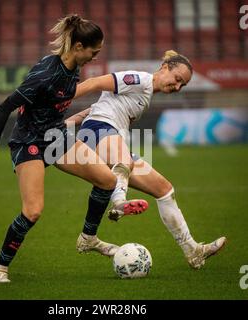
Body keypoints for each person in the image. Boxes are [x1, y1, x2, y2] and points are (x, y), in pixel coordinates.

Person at [0, 14, 147, 283]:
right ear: (79, 47)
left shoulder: (74, 69)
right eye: (94, 51)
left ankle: (88, 239)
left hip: (57, 139)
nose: (95, 56)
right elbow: (4, 109)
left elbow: (54, 108)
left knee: (107, 180)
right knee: (33, 210)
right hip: (29, 142)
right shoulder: (45, 74)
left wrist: (83, 115)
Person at [69, 50, 226, 269]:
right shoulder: (140, 80)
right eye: (177, 79)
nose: (177, 87)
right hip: (98, 130)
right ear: (164, 68)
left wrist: (67, 122)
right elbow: (96, 82)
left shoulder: (145, 94)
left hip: (106, 135)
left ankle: (193, 251)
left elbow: (94, 107)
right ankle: (119, 202)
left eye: (183, 85)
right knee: (124, 160)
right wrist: (60, 99)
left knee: (164, 189)